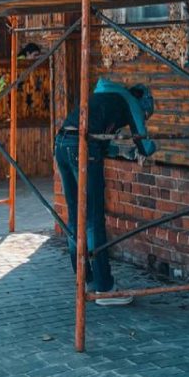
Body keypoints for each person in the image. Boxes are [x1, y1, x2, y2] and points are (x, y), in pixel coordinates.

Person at [54, 78, 156, 306]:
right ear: (140, 101)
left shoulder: (104, 99)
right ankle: (104, 288)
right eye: (145, 112)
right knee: (93, 220)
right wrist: (146, 150)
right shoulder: (128, 100)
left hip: (62, 142)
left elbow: (103, 142)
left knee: (76, 218)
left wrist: (128, 153)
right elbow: (143, 138)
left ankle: (85, 280)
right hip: (80, 147)